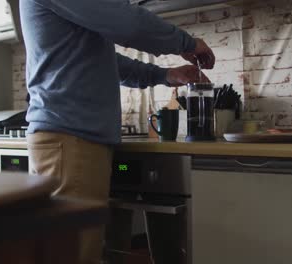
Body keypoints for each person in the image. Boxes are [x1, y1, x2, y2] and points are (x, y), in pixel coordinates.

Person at [20, 0, 215, 263]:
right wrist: (187, 43)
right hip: (71, 140)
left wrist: (165, 75)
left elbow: (106, 61)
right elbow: (128, 23)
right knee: (75, 253)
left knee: (77, 248)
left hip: (74, 140)